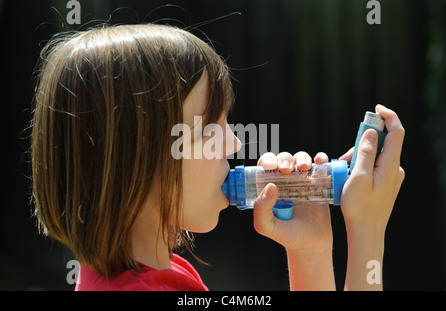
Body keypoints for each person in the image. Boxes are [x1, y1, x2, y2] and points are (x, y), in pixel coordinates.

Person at [30, 24, 405, 291]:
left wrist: (311, 250)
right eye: (210, 128)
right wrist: (367, 232)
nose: (234, 144)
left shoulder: (159, 273)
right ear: (136, 160)